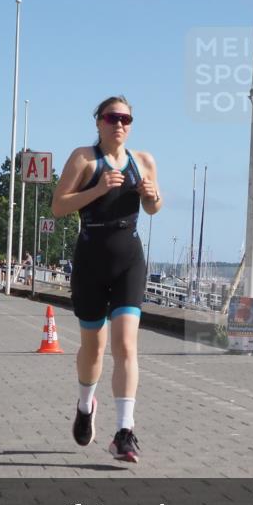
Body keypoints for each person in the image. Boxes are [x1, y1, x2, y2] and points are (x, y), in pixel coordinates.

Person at [53, 95, 161, 463]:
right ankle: (85, 406)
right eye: (112, 117)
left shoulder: (143, 161)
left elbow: (153, 207)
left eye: (126, 119)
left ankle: (124, 432)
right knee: (93, 349)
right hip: (91, 260)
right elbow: (59, 205)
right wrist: (97, 190)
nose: (119, 124)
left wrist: (153, 196)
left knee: (126, 346)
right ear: (98, 121)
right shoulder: (84, 158)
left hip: (129, 260)